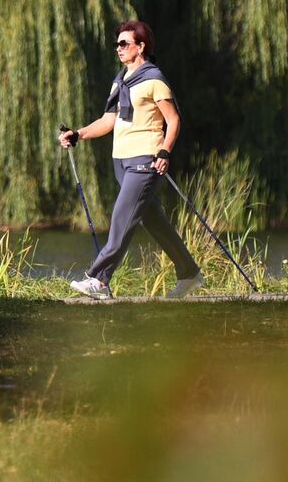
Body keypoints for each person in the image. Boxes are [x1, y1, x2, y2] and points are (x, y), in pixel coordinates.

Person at [56, 20, 204, 300]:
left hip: (145, 160)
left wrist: (164, 151)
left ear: (141, 46)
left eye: (124, 44)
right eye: (117, 44)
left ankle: (99, 281)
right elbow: (108, 120)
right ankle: (189, 273)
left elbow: (173, 121)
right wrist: (79, 134)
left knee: (121, 219)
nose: (119, 48)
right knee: (155, 222)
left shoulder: (154, 80)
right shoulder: (120, 81)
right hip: (121, 161)